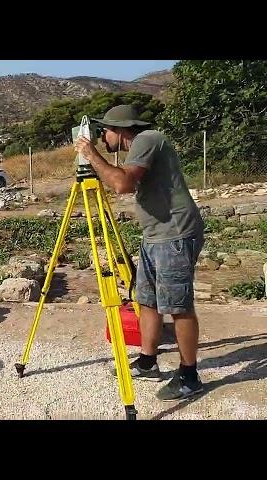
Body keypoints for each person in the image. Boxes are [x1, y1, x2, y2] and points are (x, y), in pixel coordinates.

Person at [74, 104, 205, 401]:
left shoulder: (147, 138)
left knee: (178, 306)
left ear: (120, 130)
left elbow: (122, 184)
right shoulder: (138, 147)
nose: (101, 137)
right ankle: (148, 361)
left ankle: (189, 376)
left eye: (104, 131)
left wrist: (91, 155)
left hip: (175, 234)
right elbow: (124, 177)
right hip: (155, 235)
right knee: (146, 300)